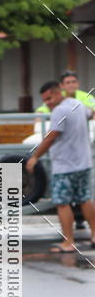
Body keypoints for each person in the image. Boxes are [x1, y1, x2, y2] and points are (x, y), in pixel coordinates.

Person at [27, 80, 95, 252]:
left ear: (58, 93)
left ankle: (69, 242)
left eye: (49, 99)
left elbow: (51, 137)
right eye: (45, 100)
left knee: (62, 203)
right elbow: (91, 113)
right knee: (85, 199)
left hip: (65, 166)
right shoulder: (77, 104)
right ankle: (94, 235)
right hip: (84, 163)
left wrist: (34, 157)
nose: (48, 103)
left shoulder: (59, 111)